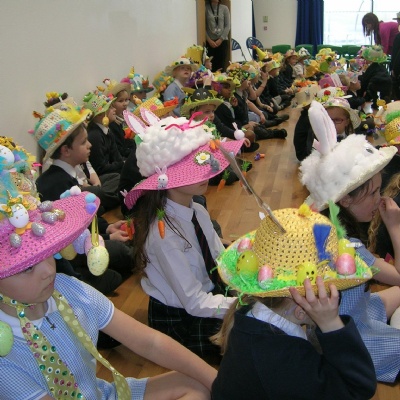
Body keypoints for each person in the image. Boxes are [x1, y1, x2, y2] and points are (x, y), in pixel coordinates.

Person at [0, 153, 216, 399]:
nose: (49, 270)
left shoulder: (67, 288)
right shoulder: (5, 353)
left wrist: (217, 381)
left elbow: (149, 342)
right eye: (27, 268)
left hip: (104, 394)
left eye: (46, 254)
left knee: (197, 382)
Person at [211, 205, 377, 399]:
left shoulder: (252, 318)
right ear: (301, 308)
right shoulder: (283, 357)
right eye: (331, 294)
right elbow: (359, 387)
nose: (335, 301)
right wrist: (331, 324)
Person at [122, 107, 244, 359]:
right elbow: (194, 303)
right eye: (191, 168)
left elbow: (219, 259)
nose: (205, 170)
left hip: (208, 295)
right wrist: (242, 305)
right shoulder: (163, 235)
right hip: (181, 319)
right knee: (251, 343)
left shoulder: (197, 210)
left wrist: (245, 287)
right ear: (166, 179)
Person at [300, 100, 400, 383]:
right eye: (374, 193)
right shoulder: (348, 249)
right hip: (349, 336)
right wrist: (395, 226)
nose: (380, 199)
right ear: (345, 200)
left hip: (350, 312)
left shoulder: (323, 229)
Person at [33, 103, 133, 296]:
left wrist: (107, 228)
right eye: (83, 142)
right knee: (123, 255)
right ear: (66, 150)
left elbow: (86, 217)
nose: (90, 145)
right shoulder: (55, 183)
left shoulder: (66, 176)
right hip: (72, 257)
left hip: (86, 242)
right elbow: (69, 237)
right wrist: (107, 238)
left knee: (121, 256)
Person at [103, 78, 136, 160]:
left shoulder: (122, 118)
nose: (125, 104)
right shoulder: (112, 124)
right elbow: (120, 149)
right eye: (121, 101)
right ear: (112, 104)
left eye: (126, 100)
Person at [359, 45, 392, 109]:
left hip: (376, 82)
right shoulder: (382, 66)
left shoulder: (371, 68)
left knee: (372, 90)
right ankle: (386, 102)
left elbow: (365, 80)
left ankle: (375, 102)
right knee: (385, 95)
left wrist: (360, 95)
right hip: (388, 81)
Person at [205, 0, 230, 72]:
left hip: (222, 42)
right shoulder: (206, 8)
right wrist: (209, 40)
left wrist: (221, 39)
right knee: (210, 67)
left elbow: (227, 26)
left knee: (221, 67)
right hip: (210, 42)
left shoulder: (224, 8)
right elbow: (203, 26)